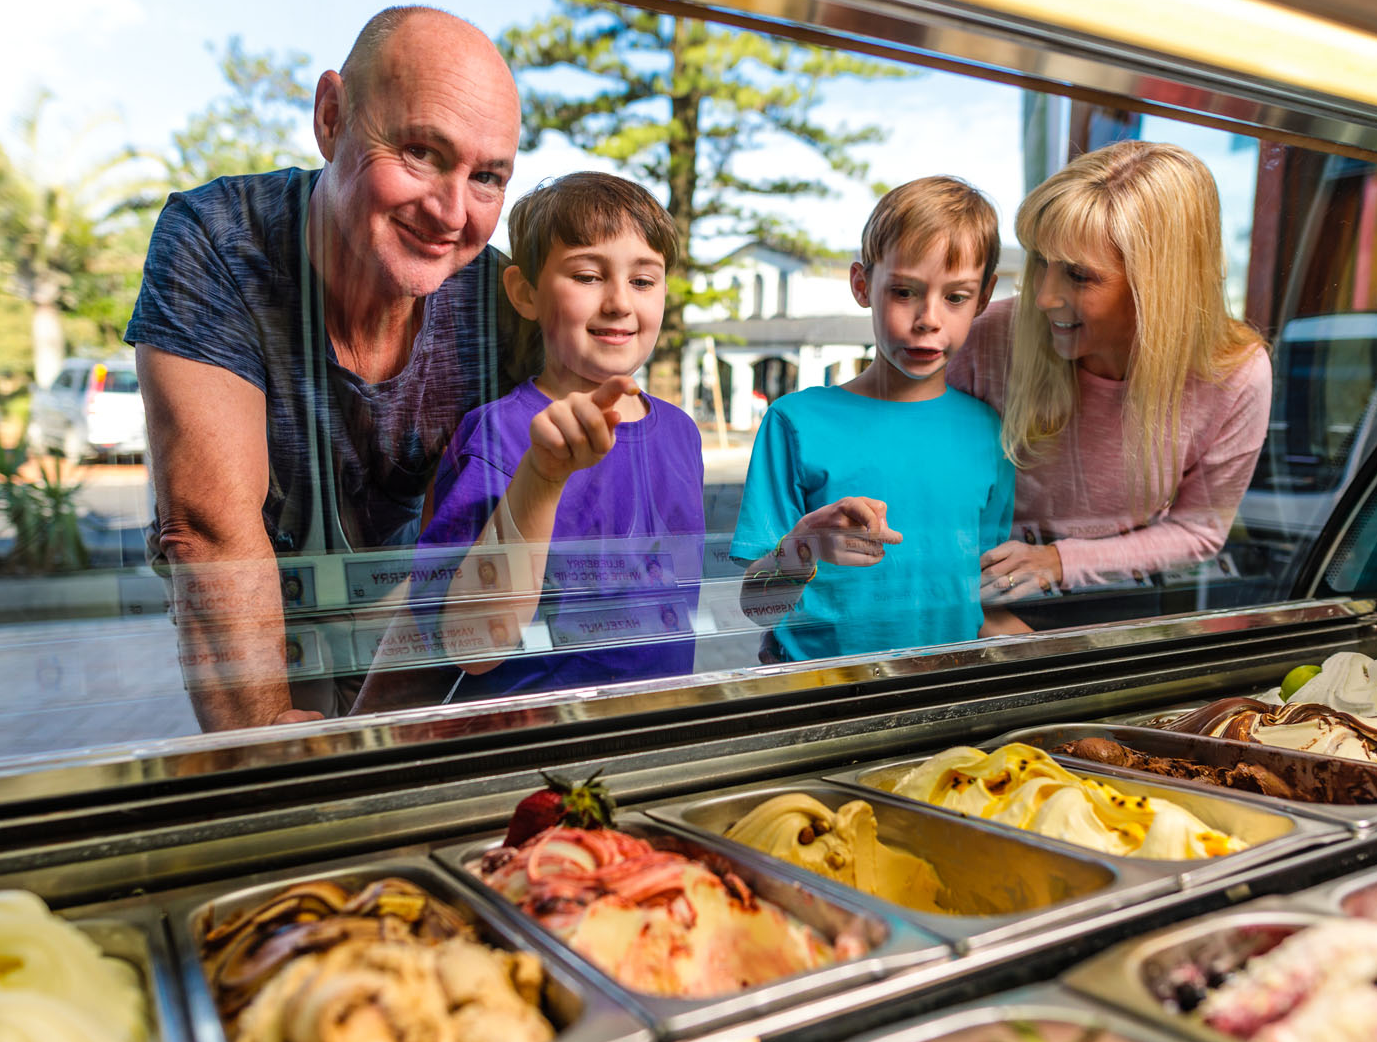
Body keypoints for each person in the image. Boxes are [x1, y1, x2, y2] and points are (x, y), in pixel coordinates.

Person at [126, 6, 525, 731]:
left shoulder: (499, 302)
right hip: (266, 629)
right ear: (332, 116)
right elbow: (209, 530)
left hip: (425, 650)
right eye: (422, 154)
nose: (450, 212)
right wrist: (271, 753)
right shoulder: (218, 242)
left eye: (488, 177)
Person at [369, 172, 703, 702]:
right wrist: (541, 478)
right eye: (589, 275)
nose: (619, 301)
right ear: (525, 293)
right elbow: (473, 647)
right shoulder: (494, 434)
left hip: (657, 734)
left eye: (643, 281)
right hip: (529, 748)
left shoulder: (684, 434)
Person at [950, 141, 1271, 628]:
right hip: (975, 595)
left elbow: (1198, 530)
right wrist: (979, 613)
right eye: (1041, 261)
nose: (1044, 297)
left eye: (1079, 276)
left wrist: (1060, 562)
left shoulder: (1236, 373)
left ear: (1158, 286)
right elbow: (918, 498)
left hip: (1125, 601)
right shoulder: (984, 337)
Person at [731, 176, 1018, 663]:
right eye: (904, 292)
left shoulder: (991, 433)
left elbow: (982, 595)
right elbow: (756, 606)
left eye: (956, 297)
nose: (928, 318)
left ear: (985, 297)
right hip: (817, 689)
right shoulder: (795, 422)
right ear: (862, 285)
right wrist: (805, 545)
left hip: (948, 690)